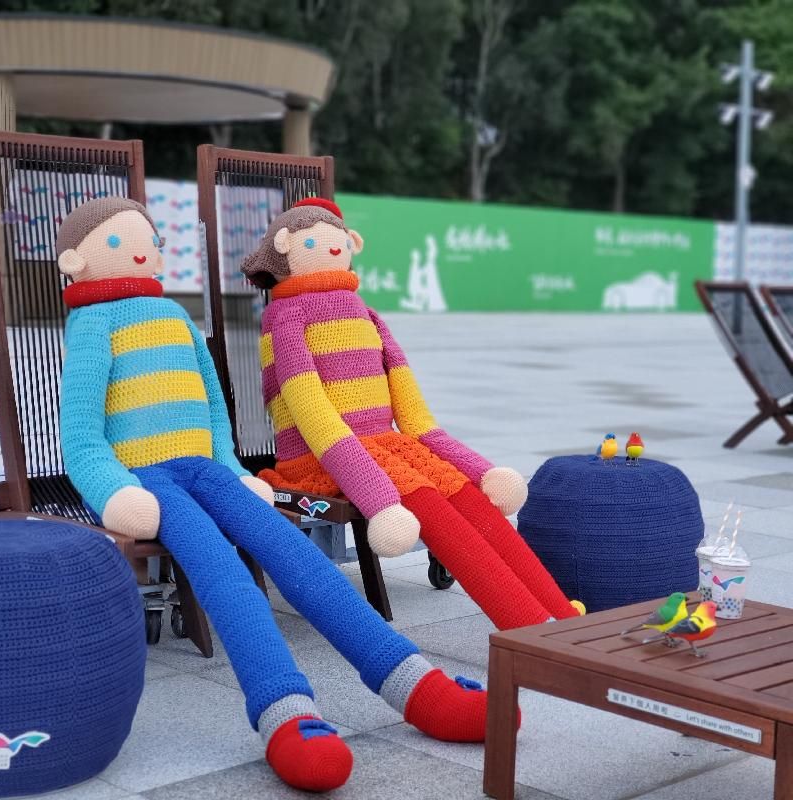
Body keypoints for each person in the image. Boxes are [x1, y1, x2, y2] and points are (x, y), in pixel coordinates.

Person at [57, 197, 491, 793]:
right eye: (118, 243)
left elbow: (213, 411)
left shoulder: (177, 318)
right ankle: (285, 711)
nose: (140, 248)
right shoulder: (91, 326)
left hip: (211, 470)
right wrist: (114, 490)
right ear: (75, 260)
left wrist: (234, 469)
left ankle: (412, 681)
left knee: (303, 560)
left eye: (147, 237)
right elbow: (80, 437)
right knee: (225, 580)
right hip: (151, 482)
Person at [242, 197, 584, 631]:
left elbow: (414, 412)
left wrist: (477, 469)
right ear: (288, 247)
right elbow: (312, 413)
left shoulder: (366, 313)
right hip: (320, 455)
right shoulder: (284, 316)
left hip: (383, 444)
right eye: (316, 241)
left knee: (469, 498)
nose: (332, 249)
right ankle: (531, 628)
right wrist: (377, 499)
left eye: (338, 240)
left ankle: (562, 612)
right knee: (431, 505)